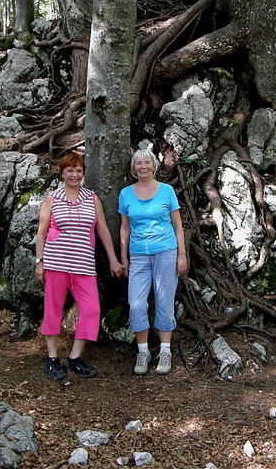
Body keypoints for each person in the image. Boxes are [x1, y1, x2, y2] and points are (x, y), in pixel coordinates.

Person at [35, 152, 125, 380]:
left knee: (92, 310)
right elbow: (42, 232)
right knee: (53, 310)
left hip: (84, 265)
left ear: (83, 173)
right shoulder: (52, 199)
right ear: (62, 173)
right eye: (70, 170)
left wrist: (113, 259)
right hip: (56, 264)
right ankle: (52, 358)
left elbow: (103, 230)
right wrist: (40, 262)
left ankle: (74, 358)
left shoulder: (91, 198)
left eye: (78, 170)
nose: (74, 174)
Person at [119, 148, 187, 376]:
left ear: (154, 166)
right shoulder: (126, 194)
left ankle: (165, 351)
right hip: (138, 255)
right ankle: (143, 351)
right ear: (133, 168)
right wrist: (123, 257)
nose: (143, 166)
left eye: (147, 162)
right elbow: (124, 228)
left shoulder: (167, 191)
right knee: (136, 303)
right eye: (139, 163)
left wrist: (182, 255)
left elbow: (178, 226)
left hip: (166, 251)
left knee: (164, 299)